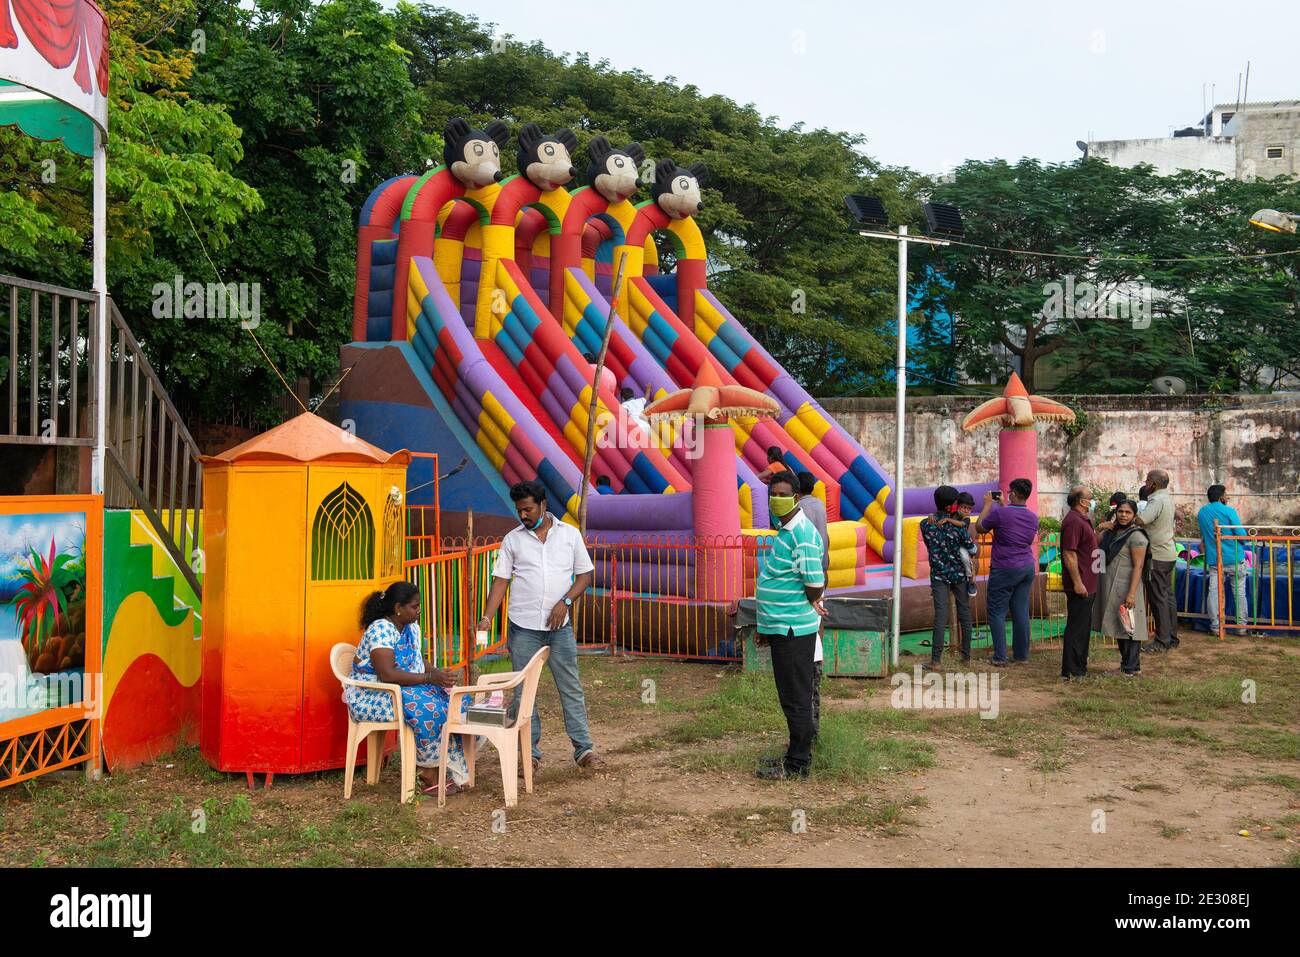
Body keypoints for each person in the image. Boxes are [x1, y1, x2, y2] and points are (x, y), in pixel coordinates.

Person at [477, 479, 602, 776]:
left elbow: (585, 575)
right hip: (523, 627)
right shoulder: (513, 540)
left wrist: (566, 602)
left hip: (560, 629)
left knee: (570, 687)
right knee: (523, 692)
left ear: (543, 505)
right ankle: (528, 754)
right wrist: (486, 617)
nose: (524, 516)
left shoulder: (569, 535)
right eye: (519, 510)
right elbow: (501, 581)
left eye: (528, 509)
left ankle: (584, 749)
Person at [346, 582, 470, 796]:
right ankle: (427, 771)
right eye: (414, 606)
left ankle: (446, 765)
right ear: (398, 608)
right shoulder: (380, 630)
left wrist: (439, 676)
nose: (418, 611)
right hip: (372, 694)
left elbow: (417, 661)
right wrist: (431, 678)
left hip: (399, 688)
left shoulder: (410, 627)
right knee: (429, 707)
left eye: (419, 606)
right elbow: (387, 675)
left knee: (455, 700)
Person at [754, 474, 825, 780]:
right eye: (773, 493)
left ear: (796, 498)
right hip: (782, 626)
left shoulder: (803, 533)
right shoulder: (785, 530)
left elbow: (814, 581)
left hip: (794, 628)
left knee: (796, 697)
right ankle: (793, 755)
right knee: (790, 696)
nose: (776, 498)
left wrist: (809, 603)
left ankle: (798, 765)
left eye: (783, 493)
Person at [976, 477, 1039, 665]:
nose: (1008, 493)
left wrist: (987, 505)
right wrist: (1004, 505)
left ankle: (1000, 657)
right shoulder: (1033, 516)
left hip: (1004, 567)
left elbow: (980, 528)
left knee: (996, 612)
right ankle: (1021, 656)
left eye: (1011, 491)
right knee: (1020, 611)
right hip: (1026, 566)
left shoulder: (1001, 514)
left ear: (1016, 494)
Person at [920, 485, 977, 667]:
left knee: (941, 616)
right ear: (949, 507)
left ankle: (935, 660)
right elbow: (971, 548)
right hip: (959, 575)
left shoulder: (925, 524)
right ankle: (966, 657)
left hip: (938, 576)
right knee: (964, 613)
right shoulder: (959, 528)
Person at [1093, 500, 1150, 675]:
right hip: (1112, 585)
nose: (1123, 515)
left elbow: (1138, 566)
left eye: (1128, 512)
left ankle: (1131, 668)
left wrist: (1131, 594)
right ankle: (1127, 665)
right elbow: (1095, 549)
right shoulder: (1113, 532)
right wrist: (1099, 529)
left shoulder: (1136, 536)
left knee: (1131, 627)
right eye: (1120, 511)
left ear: (1134, 516)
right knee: (1120, 625)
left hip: (1127, 586)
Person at [1197, 484, 1260, 637]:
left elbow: (1205, 536)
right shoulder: (1229, 511)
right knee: (1239, 593)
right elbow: (1241, 534)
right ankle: (1241, 627)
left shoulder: (1202, 513)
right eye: (1226, 494)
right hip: (1234, 558)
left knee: (1214, 592)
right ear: (1221, 497)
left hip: (1214, 559)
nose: (1228, 497)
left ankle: (1216, 626)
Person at [797, 471, 831, 736]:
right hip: (822, 567)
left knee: (810, 611)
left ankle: (811, 655)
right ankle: (818, 655)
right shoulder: (819, 504)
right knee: (818, 613)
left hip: (807, 569)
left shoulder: (799, 509)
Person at [1059, 485, 1099, 680]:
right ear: (1082, 501)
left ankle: (1080, 667)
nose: (1092, 501)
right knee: (1077, 628)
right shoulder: (1074, 521)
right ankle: (1072, 670)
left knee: (1083, 628)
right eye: (1091, 498)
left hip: (1088, 581)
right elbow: (1069, 553)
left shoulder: (1083, 520)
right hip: (1080, 583)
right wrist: (1077, 582)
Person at [1136, 469, 1178, 652]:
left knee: (1158, 599)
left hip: (1157, 556)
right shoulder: (1167, 498)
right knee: (1167, 597)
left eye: (1146, 481)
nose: (1145, 484)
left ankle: (1161, 641)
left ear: (1153, 483)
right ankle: (1171, 637)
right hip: (1168, 553)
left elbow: (1142, 520)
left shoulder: (1156, 500)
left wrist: (1126, 514)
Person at [955, 491, 979, 598]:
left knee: (964, 557)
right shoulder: (952, 514)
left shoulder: (966, 518)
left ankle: (971, 580)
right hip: (953, 543)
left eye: (969, 509)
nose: (966, 511)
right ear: (958, 506)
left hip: (964, 544)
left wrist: (948, 520)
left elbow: (962, 525)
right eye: (964, 507)